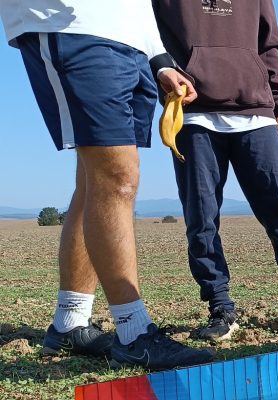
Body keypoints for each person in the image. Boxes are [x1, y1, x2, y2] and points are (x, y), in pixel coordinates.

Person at [1, 0, 214, 369]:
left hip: (129, 41)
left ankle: (69, 322)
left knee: (95, 181)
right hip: (69, 25)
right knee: (118, 179)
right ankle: (133, 333)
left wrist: (158, 57)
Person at [151, 0, 278, 342]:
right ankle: (220, 307)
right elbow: (146, 37)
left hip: (256, 112)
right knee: (202, 216)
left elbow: (269, 44)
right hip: (193, 113)